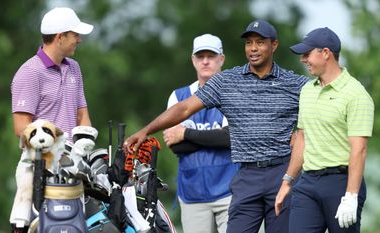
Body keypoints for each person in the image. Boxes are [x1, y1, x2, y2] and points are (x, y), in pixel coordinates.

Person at [124, 19, 309, 233]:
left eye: (260, 42)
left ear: (274, 45)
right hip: (246, 175)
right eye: (249, 43)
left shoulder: (293, 83)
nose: (253, 48)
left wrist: (305, 135)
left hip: (281, 173)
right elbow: (184, 109)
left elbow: (323, 102)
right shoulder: (227, 81)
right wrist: (146, 131)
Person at [274, 27, 374, 233]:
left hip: (341, 183)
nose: (303, 59)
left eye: (307, 54)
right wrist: (287, 181)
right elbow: (301, 138)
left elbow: (359, 150)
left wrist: (351, 196)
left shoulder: (356, 94)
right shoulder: (307, 91)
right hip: (307, 184)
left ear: (326, 53)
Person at [10, 7, 93, 232]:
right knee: (28, 222)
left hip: (72, 165)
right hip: (39, 166)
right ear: (60, 38)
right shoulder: (29, 73)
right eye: (75, 35)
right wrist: (55, 147)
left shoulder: (74, 68)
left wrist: (84, 147)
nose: (79, 40)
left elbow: (82, 115)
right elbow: (21, 127)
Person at [163, 34, 239, 233]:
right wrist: (216, 138)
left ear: (221, 59)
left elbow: (231, 138)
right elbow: (174, 144)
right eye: (200, 56)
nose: (205, 61)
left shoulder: (233, 93)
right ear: (193, 60)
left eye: (211, 56)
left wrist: (186, 133)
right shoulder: (178, 96)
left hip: (229, 191)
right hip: (192, 193)